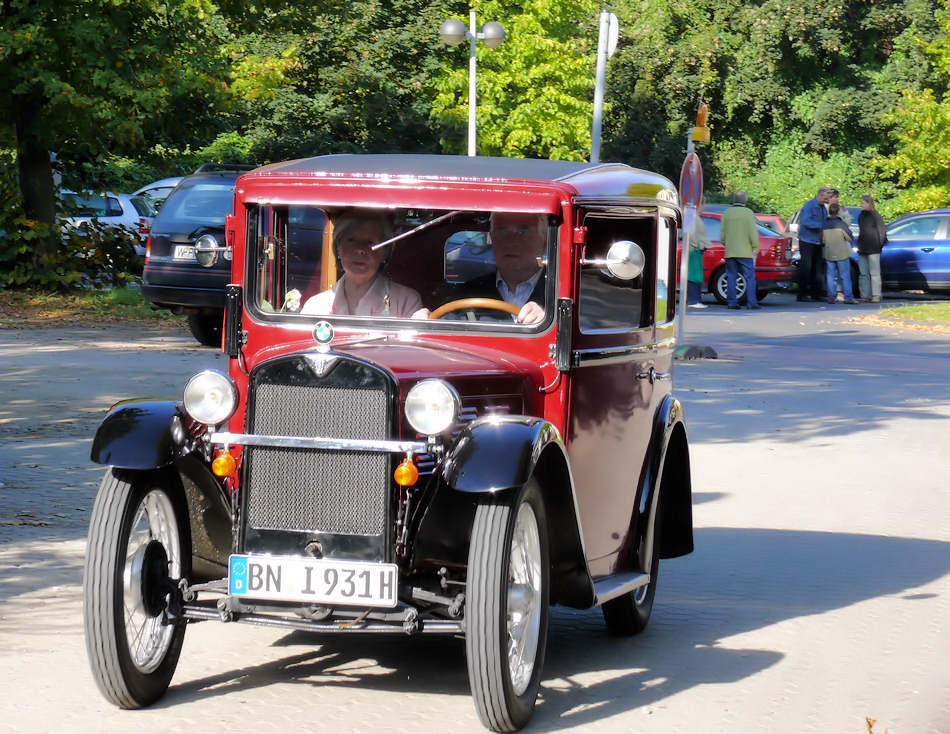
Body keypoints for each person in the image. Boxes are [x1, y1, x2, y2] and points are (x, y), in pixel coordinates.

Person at [301, 211, 426, 318]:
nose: (360, 249)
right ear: (338, 247)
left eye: (370, 242)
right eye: (351, 240)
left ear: (384, 252)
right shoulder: (315, 306)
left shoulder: (406, 302)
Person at [441, 211, 547, 324]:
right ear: (492, 239)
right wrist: (423, 321)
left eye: (523, 232)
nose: (511, 242)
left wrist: (550, 319)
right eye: (502, 232)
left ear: (544, 243)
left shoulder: (560, 292)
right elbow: (441, 332)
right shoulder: (467, 293)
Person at [720, 191, 760, 310]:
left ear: (733, 200)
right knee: (750, 277)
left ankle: (732, 302)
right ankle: (751, 302)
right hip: (745, 252)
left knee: (731, 277)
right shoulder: (748, 213)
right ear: (745, 201)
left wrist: (727, 243)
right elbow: (752, 232)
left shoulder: (726, 213)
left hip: (730, 251)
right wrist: (755, 246)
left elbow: (722, 236)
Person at [797, 186, 832, 301]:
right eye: (826, 198)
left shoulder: (823, 208)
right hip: (807, 241)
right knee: (806, 268)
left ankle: (816, 293)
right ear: (820, 195)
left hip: (818, 241)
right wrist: (822, 226)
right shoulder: (809, 206)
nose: (828, 200)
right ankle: (802, 294)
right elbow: (806, 222)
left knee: (818, 268)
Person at [821, 203, 857, 304]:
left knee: (830, 275)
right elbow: (850, 237)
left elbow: (821, 240)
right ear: (838, 212)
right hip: (842, 252)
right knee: (845, 275)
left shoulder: (824, 224)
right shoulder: (841, 224)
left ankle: (831, 296)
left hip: (829, 252)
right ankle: (848, 297)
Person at [856, 194, 886, 302]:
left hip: (874, 248)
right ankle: (865, 295)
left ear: (869, 203)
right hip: (862, 248)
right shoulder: (861, 216)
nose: (861, 205)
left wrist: (879, 245)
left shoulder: (876, 216)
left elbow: (882, 232)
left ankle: (876, 295)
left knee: (875, 273)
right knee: (863, 273)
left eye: (863, 203)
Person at [686, 204, 710, 309]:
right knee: (693, 275)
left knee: (695, 275)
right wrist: (697, 245)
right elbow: (689, 234)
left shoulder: (692, 216)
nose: (705, 207)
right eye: (704, 204)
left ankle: (695, 299)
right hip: (694, 249)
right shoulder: (691, 216)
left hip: (696, 248)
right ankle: (693, 300)